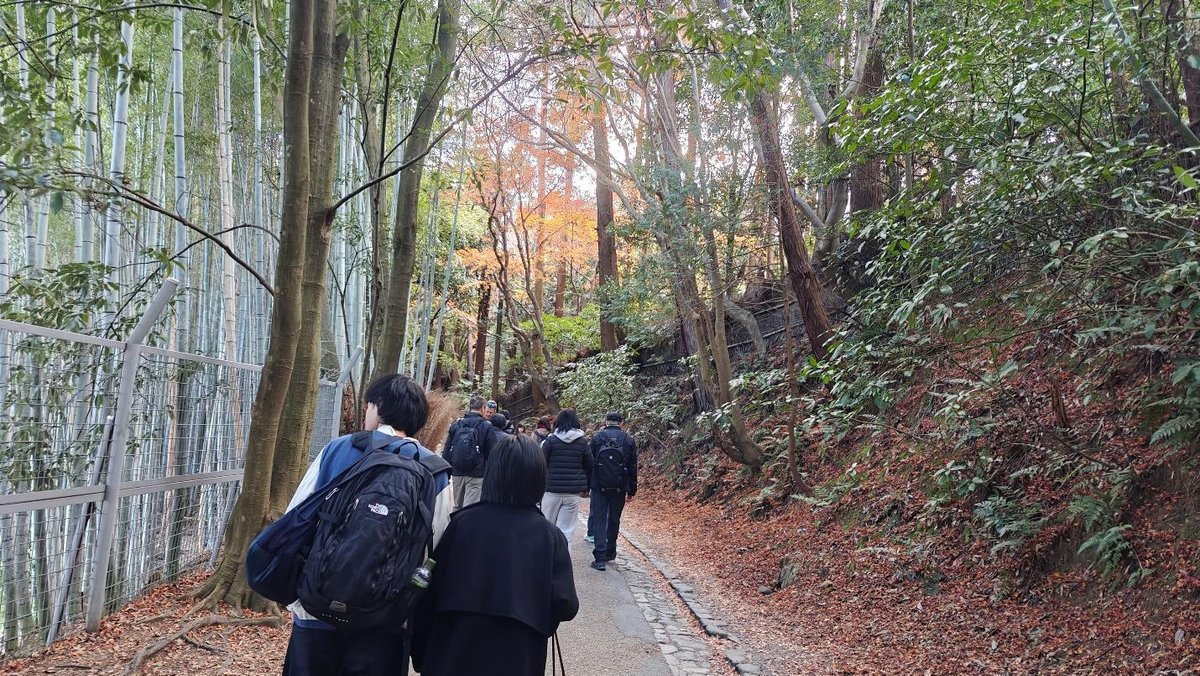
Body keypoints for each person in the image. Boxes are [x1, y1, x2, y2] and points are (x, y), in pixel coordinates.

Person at [282, 373, 452, 676]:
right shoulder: (434, 470)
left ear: (378, 406)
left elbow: (296, 518)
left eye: (368, 406)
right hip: (384, 622)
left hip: (316, 609)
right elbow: (434, 547)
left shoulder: (338, 450)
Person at [411, 435, 579, 675]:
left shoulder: (461, 525)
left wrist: (421, 651)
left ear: (492, 474)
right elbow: (566, 604)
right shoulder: (549, 536)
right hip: (518, 655)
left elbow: (429, 587)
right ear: (538, 478)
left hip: (453, 651)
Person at [587, 412, 638, 571]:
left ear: (606, 421)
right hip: (619, 486)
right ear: (621, 422)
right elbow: (632, 467)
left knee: (599, 519)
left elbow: (589, 461)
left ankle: (600, 558)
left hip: (599, 486)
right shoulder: (628, 440)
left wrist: (588, 483)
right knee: (614, 519)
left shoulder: (597, 438)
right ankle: (610, 551)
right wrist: (632, 490)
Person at [540, 409, 593, 546]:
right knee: (567, 530)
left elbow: (541, 464)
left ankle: (545, 561)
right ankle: (563, 563)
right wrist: (587, 486)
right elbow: (590, 465)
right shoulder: (582, 443)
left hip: (551, 490)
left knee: (546, 527)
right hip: (572, 492)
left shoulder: (550, 442)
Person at [446, 396, 500, 510]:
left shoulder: (457, 425)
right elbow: (493, 453)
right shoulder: (485, 426)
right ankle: (466, 528)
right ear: (482, 408)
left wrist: (447, 471)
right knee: (470, 509)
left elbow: (447, 450)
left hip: (457, 472)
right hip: (476, 474)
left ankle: (455, 526)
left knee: (457, 507)